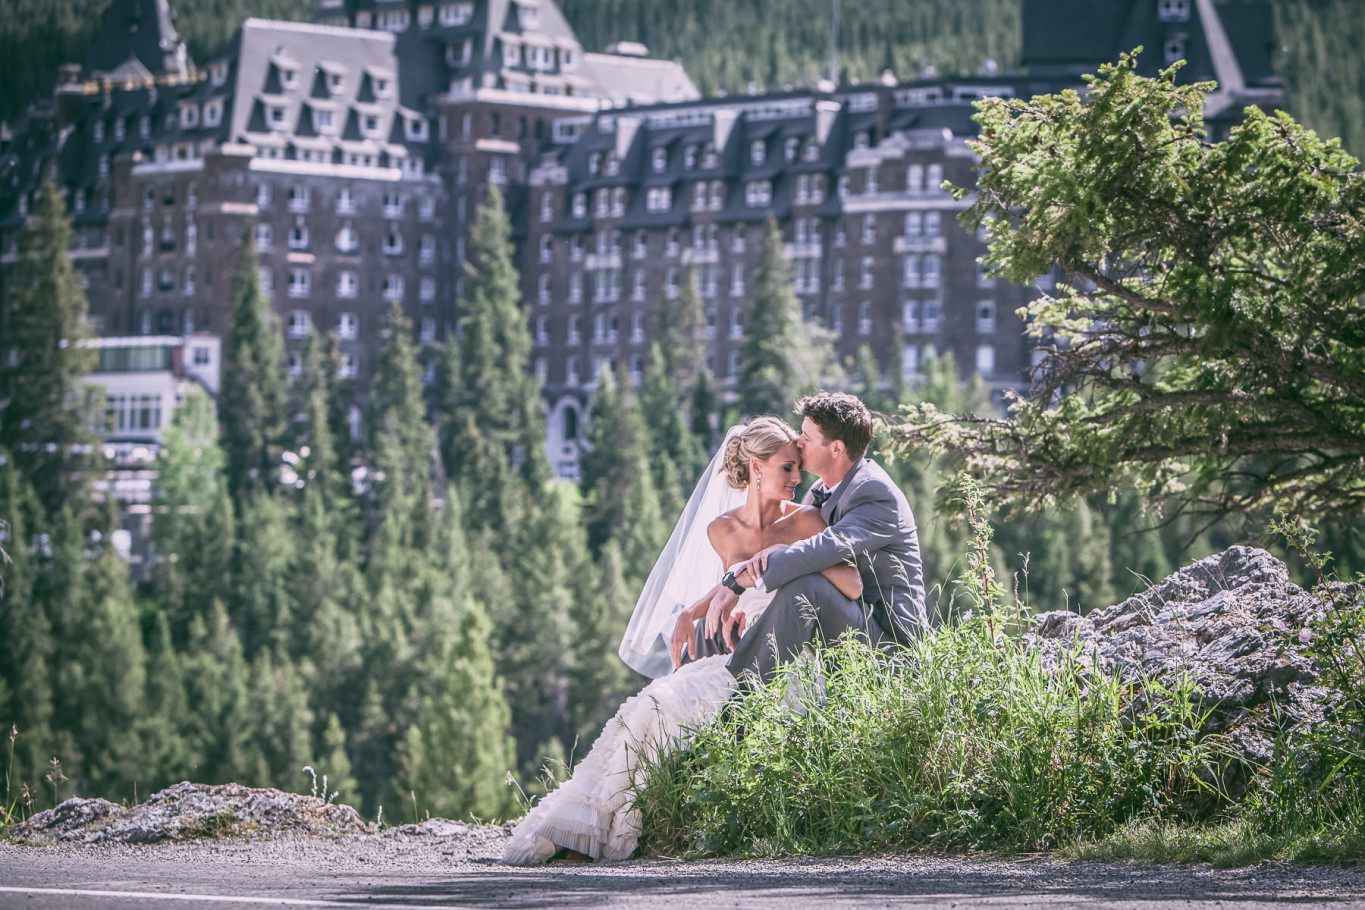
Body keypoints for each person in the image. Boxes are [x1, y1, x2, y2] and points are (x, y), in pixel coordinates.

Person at [502, 416, 862, 864]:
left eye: (796, 467)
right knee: (655, 701)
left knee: (670, 703)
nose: (797, 477)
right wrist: (692, 611)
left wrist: (785, 557)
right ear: (755, 468)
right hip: (735, 651)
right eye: (786, 467)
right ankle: (580, 828)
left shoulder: (807, 521)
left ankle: (624, 829)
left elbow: (850, 582)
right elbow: (737, 583)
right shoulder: (722, 530)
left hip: (785, 654)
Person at [719, 392, 928, 684]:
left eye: (807, 437)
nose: (798, 442)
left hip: (890, 649)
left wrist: (739, 581)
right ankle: (739, 688)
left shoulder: (875, 493)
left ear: (837, 448)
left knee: (809, 587)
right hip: (848, 624)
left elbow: (823, 549)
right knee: (805, 583)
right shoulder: (822, 488)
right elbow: (798, 554)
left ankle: (743, 700)